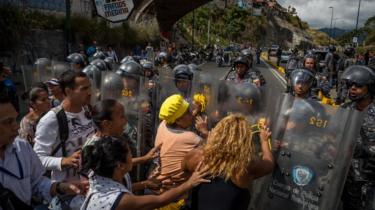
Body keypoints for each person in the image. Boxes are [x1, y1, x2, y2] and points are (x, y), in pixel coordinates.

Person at [0, 92, 85, 209]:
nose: (16, 127)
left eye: (15, 119)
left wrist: (61, 187)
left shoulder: (22, 148)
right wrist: (62, 161)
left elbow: (38, 183)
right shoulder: (48, 120)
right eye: (7, 122)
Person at [80, 136, 210, 210]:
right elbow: (159, 200)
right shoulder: (119, 200)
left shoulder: (98, 174)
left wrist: (146, 184)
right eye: (130, 153)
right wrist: (189, 183)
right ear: (119, 165)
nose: (132, 156)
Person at [182, 114, 274, 210]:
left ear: (217, 133)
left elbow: (184, 169)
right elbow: (269, 164)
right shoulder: (246, 167)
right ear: (244, 140)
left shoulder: (195, 155)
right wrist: (264, 142)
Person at [83, 99, 161, 192]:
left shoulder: (113, 139)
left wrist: (145, 158)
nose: (126, 121)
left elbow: (120, 164)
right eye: (122, 117)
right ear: (106, 123)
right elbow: (110, 190)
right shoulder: (94, 149)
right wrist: (144, 184)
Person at [33, 70, 94, 182]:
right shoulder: (52, 119)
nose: (90, 92)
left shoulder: (88, 110)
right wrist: (64, 161)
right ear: (68, 91)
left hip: (92, 183)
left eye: (89, 87)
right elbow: (37, 158)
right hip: (68, 190)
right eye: (84, 89)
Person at [153, 95, 208, 205]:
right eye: (188, 112)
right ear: (177, 120)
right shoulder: (190, 138)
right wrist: (205, 131)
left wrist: (196, 110)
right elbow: (214, 148)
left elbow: (181, 118)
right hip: (175, 198)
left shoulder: (163, 124)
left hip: (157, 189)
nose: (191, 114)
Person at [340, 65, 375, 210]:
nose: (352, 88)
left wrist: (361, 150)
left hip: (370, 181)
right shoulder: (345, 110)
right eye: (350, 84)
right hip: (346, 178)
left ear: (370, 88)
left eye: (358, 85)